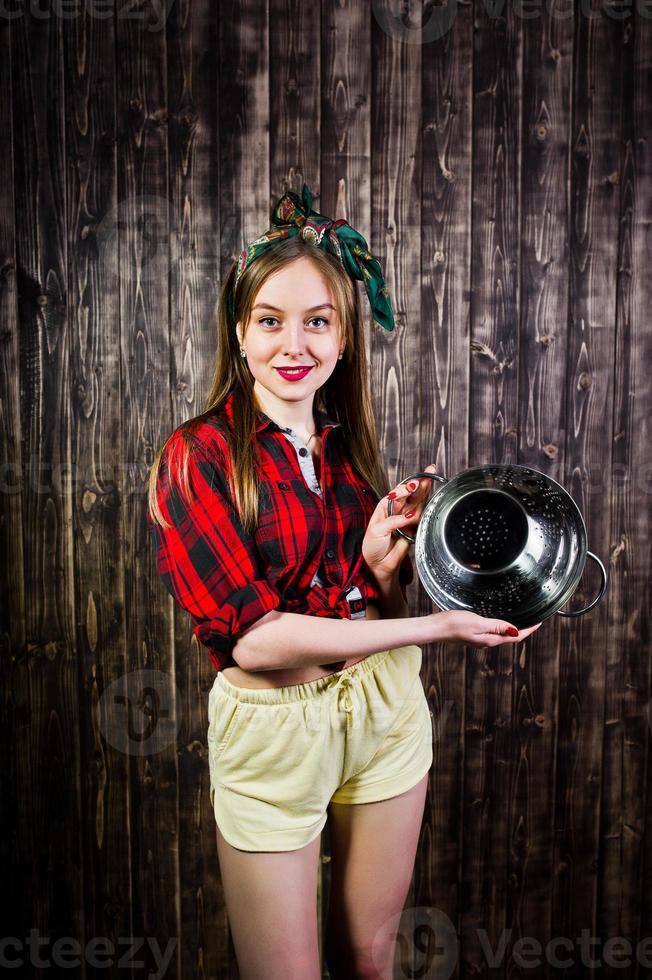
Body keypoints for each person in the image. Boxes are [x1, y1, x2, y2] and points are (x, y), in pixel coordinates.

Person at [146, 185, 541, 980]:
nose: (295, 343)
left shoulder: (347, 453)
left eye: (318, 321)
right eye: (271, 320)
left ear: (345, 337)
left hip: (385, 710)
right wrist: (438, 626)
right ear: (239, 331)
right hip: (273, 732)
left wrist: (380, 567)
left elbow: (372, 610)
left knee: (371, 955)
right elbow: (256, 642)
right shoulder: (198, 456)